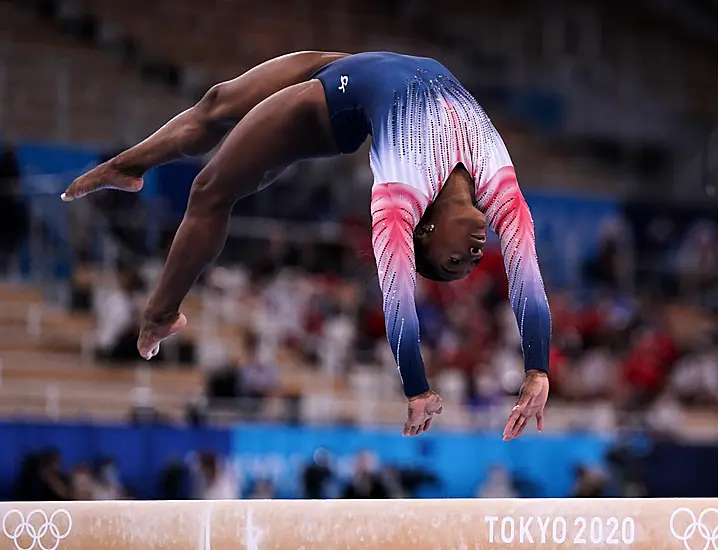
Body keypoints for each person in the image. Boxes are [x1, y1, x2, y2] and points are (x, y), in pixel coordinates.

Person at [61, 51, 551, 438]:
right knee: (216, 103)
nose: (473, 253)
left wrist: (418, 389)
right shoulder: (504, 195)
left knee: (210, 191)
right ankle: (130, 167)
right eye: (466, 261)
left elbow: (399, 304)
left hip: (339, 104)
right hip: (362, 65)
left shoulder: (399, 200)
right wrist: (537, 370)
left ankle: (160, 314)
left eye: (455, 262)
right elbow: (528, 286)